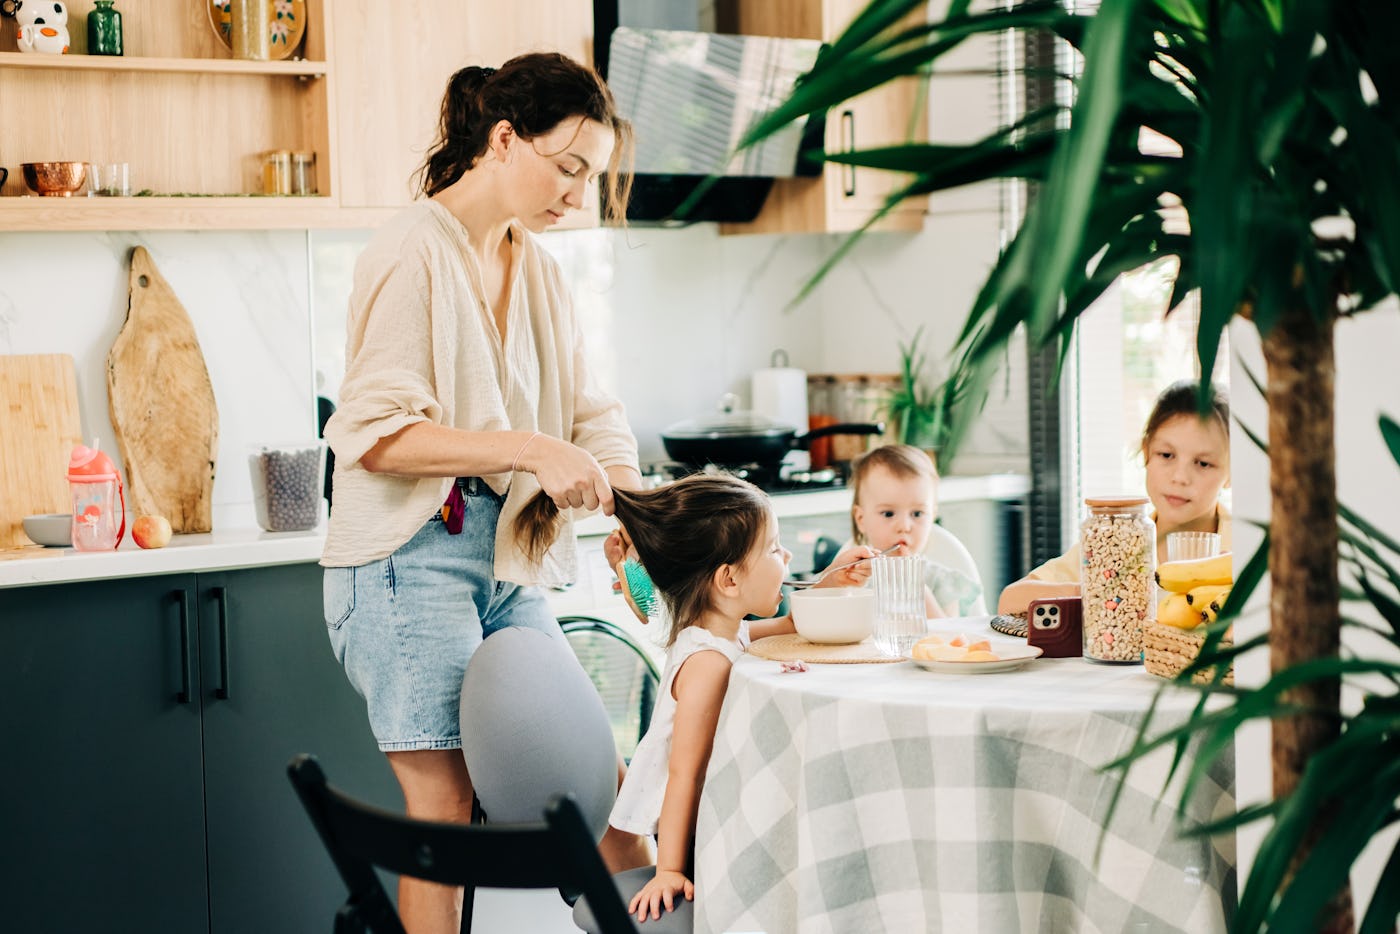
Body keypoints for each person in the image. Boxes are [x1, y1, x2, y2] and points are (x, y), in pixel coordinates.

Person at [319, 52, 649, 934]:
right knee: (445, 804)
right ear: (505, 140)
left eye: (592, 177)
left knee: (596, 788)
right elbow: (377, 437)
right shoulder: (410, 251)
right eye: (569, 168)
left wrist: (633, 509)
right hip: (407, 560)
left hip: (509, 563)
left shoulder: (538, 269)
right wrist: (532, 449)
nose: (578, 196)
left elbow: (592, 410)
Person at [519, 474, 801, 927]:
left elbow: (788, 626)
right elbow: (683, 775)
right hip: (697, 841)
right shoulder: (708, 664)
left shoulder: (712, 631)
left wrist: (836, 581)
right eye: (773, 548)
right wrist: (670, 870)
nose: (786, 557)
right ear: (728, 579)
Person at [997, 379, 1232, 614]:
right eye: (1167, 455)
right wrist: (1096, 591)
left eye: (1203, 463)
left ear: (1232, 473)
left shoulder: (1250, 547)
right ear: (1146, 451)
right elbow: (1010, 601)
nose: (1180, 477)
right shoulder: (1113, 542)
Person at [848, 444, 985, 617]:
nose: (904, 526)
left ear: (932, 516)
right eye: (888, 513)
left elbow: (950, 639)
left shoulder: (941, 582)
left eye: (917, 513)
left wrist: (919, 590)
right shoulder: (852, 582)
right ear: (861, 519)